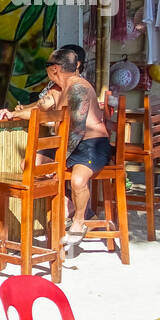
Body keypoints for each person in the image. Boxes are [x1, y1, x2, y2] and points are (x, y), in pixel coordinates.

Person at [44, 47, 112, 244]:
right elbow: (41, 107)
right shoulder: (61, 87)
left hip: (92, 144)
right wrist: (13, 113)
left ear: (55, 69)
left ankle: (79, 220)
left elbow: (77, 130)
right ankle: (69, 202)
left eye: (48, 67)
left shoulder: (77, 88)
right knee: (31, 164)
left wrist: (59, 160)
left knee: (78, 181)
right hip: (68, 144)